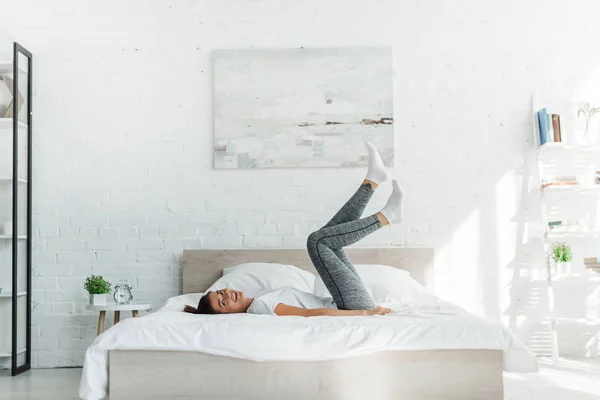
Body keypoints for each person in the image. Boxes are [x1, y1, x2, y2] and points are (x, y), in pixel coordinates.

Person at [184, 141, 405, 317]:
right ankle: (387, 216)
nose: (227, 294)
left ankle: (372, 182)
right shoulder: (260, 307)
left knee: (329, 241)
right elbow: (310, 314)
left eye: (221, 292)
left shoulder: (259, 299)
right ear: (228, 315)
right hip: (350, 307)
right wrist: (364, 312)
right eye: (223, 302)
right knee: (317, 241)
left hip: (348, 301)